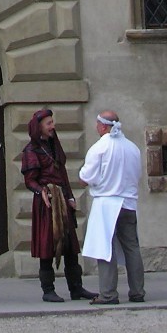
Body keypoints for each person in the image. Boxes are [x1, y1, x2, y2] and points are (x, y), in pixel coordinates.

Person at [21, 108, 97, 303]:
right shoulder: (31, 150)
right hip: (47, 203)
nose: (53, 126)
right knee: (47, 247)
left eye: (52, 122)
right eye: (49, 123)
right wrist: (42, 191)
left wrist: (70, 196)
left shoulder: (54, 145)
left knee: (70, 247)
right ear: (39, 127)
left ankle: (76, 288)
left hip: (62, 199)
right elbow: (30, 181)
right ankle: (48, 290)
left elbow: (62, 175)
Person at [79, 109, 145, 305]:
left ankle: (108, 294)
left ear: (102, 126)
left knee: (105, 248)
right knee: (132, 247)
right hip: (128, 203)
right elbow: (137, 175)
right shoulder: (132, 148)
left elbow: (86, 177)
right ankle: (137, 291)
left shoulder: (99, 147)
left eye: (97, 124)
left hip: (106, 204)